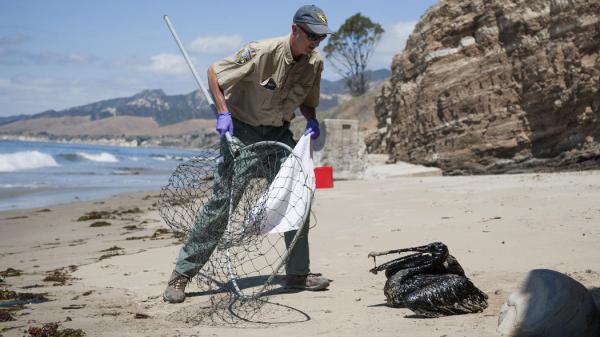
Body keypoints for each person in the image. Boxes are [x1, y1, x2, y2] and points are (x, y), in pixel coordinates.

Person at [163, 4, 333, 303]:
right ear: (295, 29)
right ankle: (181, 275)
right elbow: (215, 72)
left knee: (298, 199)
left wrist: (311, 119)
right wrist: (223, 113)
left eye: (320, 38)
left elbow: (307, 98)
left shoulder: (314, 63)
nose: (315, 43)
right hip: (244, 132)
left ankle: (297, 272)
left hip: (280, 134)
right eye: (311, 36)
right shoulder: (260, 51)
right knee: (222, 204)